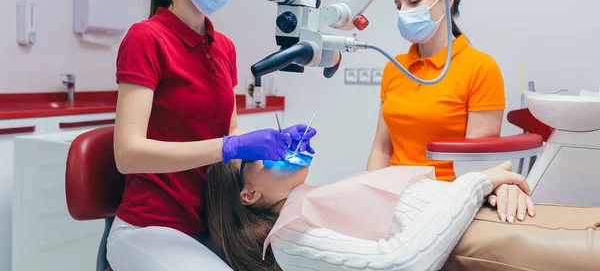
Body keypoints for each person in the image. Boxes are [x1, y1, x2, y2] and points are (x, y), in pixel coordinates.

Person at [105, 0, 317, 271]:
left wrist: (274, 150)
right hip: (151, 226)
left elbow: (229, 133)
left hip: (215, 222)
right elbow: (128, 155)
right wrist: (231, 146)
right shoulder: (146, 38)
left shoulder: (224, 48)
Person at [205, 159, 600, 271]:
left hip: (504, 213)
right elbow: (403, 261)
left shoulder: (312, 199)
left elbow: (421, 208)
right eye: (259, 155)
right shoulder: (291, 242)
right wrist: (477, 182)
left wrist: (498, 186)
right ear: (248, 193)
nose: (277, 148)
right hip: (497, 241)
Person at [367, 0, 506, 181]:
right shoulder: (395, 68)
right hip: (393, 190)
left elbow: (478, 166)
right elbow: (381, 149)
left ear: (446, 0)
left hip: (448, 193)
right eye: (398, 5)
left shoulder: (480, 68)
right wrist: (369, 192)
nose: (403, 12)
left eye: (413, 2)